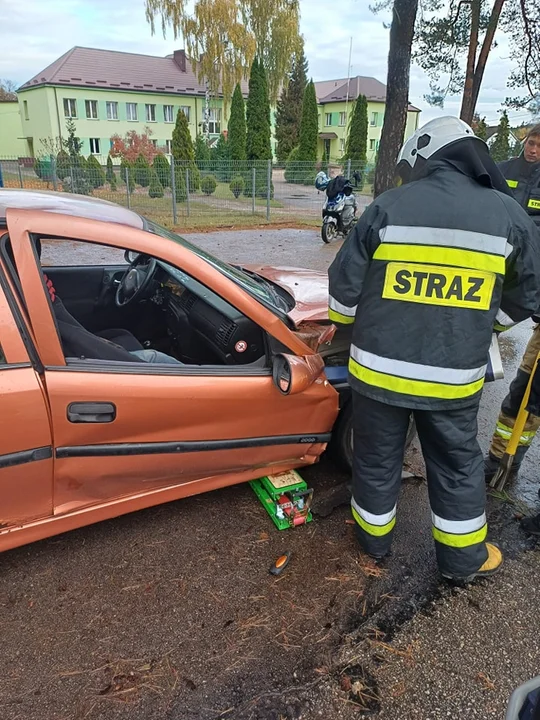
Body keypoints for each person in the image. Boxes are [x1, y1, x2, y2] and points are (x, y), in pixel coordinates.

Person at [328, 116, 540, 583]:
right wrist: (486, 324)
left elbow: (343, 295)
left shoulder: (387, 206)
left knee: (376, 458)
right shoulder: (508, 215)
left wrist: (345, 325)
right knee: (456, 465)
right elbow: (528, 293)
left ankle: (373, 543)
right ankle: (463, 560)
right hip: (452, 379)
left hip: (377, 374)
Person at [484, 125, 540, 486]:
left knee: (528, 393)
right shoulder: (503, 170)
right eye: (532, 142)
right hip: (496, 266)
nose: (535, 150)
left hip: (531, 271)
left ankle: (508, 461)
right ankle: (497, 459)